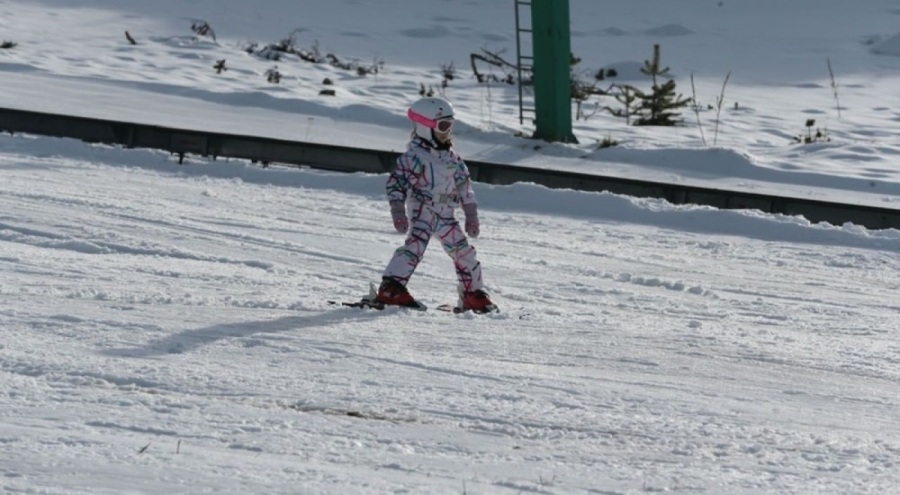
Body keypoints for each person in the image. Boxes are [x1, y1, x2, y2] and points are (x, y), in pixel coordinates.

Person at [374, 97, 495, 312]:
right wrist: (398, 211)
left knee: (464, 252)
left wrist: (471, 214)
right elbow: (396, 184)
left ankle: (473, 293)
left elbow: (464, 186)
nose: (447, 131)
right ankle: (391, 287)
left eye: (450, 125)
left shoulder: (452, 159)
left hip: (447, 215)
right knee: (414, 247)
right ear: (425, 127)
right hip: (424, 212)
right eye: (443, 126)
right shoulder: (414, 158)